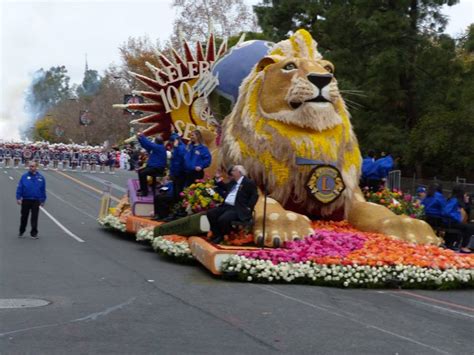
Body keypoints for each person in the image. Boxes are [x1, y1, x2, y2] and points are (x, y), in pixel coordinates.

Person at [206, 165, 258, 244]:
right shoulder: (233, 182)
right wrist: (217, 178)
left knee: (223, 219)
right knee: (210, 213)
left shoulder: (248, 182)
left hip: (237, 208)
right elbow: (224, 187)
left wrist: (249, 207)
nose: (231, 172)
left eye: (233, 171)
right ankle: (217, 234)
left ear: (239, 172)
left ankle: (223, 235)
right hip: (226, 206)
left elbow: (254, 195)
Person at [16, 162, 46, 239]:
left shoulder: (41, 178)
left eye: (32, 166)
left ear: (36, 167)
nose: (31, 167)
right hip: (26, 199)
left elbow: (43, 189)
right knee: (24, 217)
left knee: (34, 217)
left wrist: (43, 200)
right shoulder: (24, 176)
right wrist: (18, 197)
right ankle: (21, 231)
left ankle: (34, 233)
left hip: (36, 200)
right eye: (30, 166)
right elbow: (20, 187)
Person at [442, 185, 474, 253]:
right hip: (450, 222)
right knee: (470, 227)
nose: (465, 195)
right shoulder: (455, 200)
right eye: (464, 193)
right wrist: (456, 217)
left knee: (465, 226)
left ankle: (451, 244)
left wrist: (467, 203)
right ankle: (463, 246)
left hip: (450, 221)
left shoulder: (453, 199)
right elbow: (446, 211)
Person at [136, 132, 167, 197]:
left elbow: (149, 144)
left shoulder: (159, 147)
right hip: (153, 166)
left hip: (157, 168)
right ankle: (143, 189)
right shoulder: (157, 147)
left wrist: (142, 136)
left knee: (142, 173)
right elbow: (146, 145)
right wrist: (140, 139)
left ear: (156, 142)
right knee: (140, 172)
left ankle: (145, 192)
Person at [168, 133, 187, 200]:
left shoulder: (180, 148)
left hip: (179, 173)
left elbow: (177, 161)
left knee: (178, 191)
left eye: (171, 142)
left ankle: (177, 206)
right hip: (177, 172)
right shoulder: (179, 147)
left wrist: (173, 173)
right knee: (176, 190)